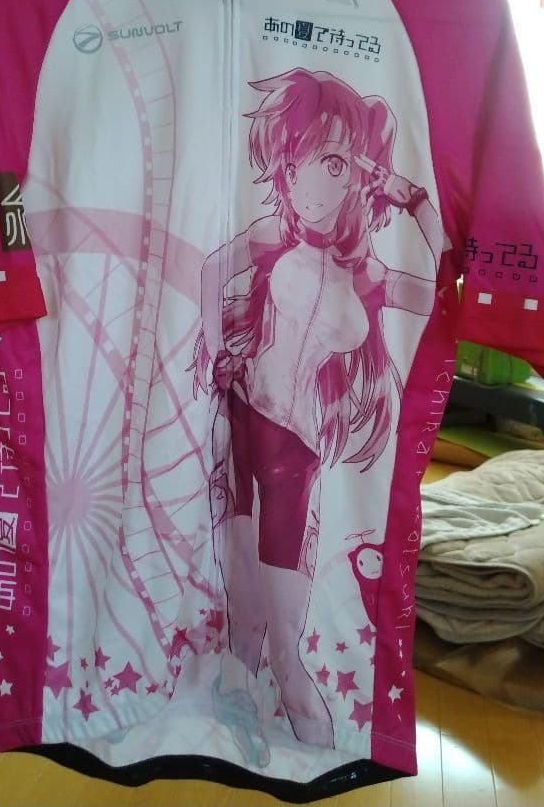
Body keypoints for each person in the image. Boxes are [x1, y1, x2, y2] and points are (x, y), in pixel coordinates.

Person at [191, 67, 441, 755]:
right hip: (242, 428)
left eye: (337, 163)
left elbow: (448, 290)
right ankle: (233, 748)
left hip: (294, 462)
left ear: (362, 176)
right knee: (243, 626)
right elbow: (211, 272)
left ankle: (321, 764)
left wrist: (416, 199)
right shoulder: (273, 237)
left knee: (288, 654)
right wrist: (217, 354)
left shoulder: (371, 276)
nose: (312, 181)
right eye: (302, 158)